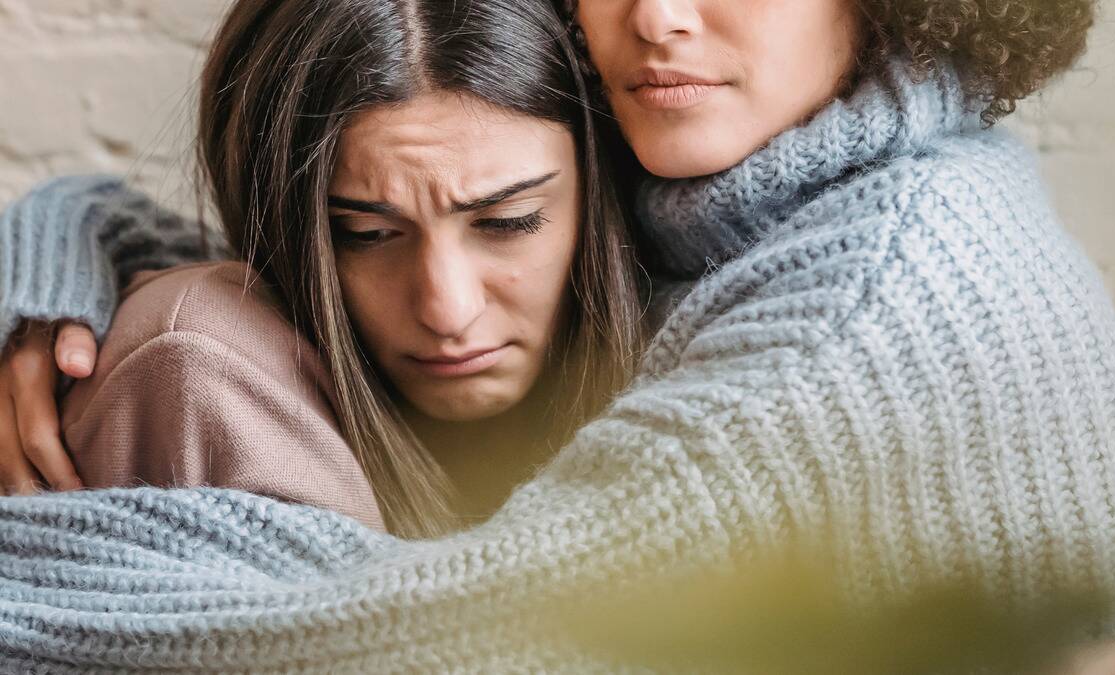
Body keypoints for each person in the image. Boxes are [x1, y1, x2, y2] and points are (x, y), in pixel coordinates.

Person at [0, 0, 1115, 671]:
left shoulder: (844, 317)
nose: (659, 17)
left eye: (511, 221)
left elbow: (405, 645)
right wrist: (70, 236)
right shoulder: (736, 173)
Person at [0, 0, 641, 536]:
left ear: (605, 182)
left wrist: (79, 228)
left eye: (507, 223)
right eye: (366, 234)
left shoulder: (709, 314)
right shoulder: (197, 362)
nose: (447, 310)